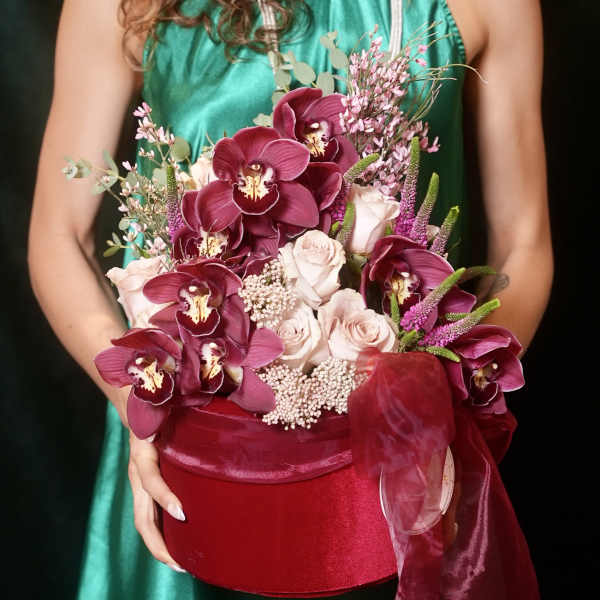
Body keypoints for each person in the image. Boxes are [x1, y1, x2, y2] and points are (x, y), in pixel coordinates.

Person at [28, 0, 552, 598]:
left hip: (402, 461)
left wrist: (451, 409)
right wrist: (140, 401)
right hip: (194, 447)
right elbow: (58, 235)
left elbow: (525, 241)